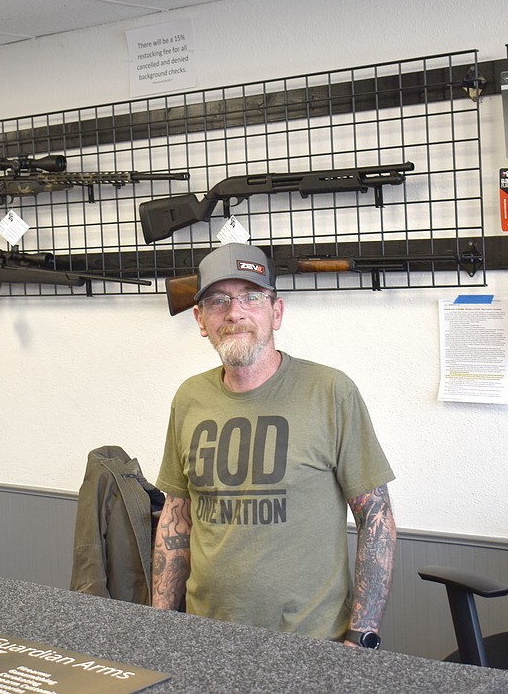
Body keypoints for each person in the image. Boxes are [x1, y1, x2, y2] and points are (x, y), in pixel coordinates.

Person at [151, 243, 397, 649]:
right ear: (200, 319)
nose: (235, 313)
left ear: (275, 312)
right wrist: (158, 627)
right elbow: (176, 518)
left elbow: (376, 519)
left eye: (252, 297)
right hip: (204, 637)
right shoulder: (188, 399)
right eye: (218, 301)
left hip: (312, 643)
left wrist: (361, 636)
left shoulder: (331, 392)